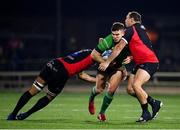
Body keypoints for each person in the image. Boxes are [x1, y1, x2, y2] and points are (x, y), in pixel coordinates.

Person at [99, 11, 163, 122]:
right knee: (130, 89)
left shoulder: (131, 30)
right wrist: (132, 57)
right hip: (140, 63)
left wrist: (107, 62)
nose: (125, 20)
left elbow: (119, 47)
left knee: (136, 85)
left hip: (149, 62)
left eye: (126, 18)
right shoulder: (141, 29)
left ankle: (146, 113)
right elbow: (140, 46)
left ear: (132, 20)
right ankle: (154, 103)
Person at [7, 49, 104, 120]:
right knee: (49, 97)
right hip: (62, 72)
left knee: (32, 91)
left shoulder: (87, 52)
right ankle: (26, 114)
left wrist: (97, 80)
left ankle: (12, 114)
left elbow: (81, 74)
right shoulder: (94, 56)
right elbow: (84, 73)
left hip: (53, 63)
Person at [88, 22, 131, 121]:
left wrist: (130, 57)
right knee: (99, 89)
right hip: (104, 66)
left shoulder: (128, 40)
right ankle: (91, 99)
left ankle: (101, 113)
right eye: (113, 34)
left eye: (117, 34)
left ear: (123, 33)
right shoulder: (108, 40)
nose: (115, 37)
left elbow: (135, 52)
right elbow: (93, 54)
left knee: (111, 90)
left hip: (118, 67)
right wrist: (105, 62)